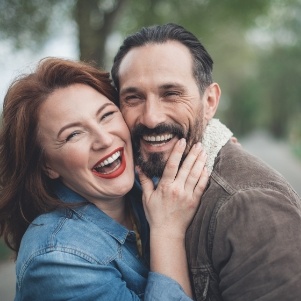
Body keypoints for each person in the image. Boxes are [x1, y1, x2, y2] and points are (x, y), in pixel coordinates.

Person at [111, 23, 301, 300]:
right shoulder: (139, 181)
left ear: (209, 101)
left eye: (171, 94)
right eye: (133, 97)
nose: (151, 117)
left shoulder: (250, 204)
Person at [0, 57, 209, 300]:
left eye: (106, 115)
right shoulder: (57, 258)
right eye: (73, 134)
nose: (105, 139)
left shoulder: (140, 182)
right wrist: (167, 232)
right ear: (47, 166)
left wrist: (216, 145)